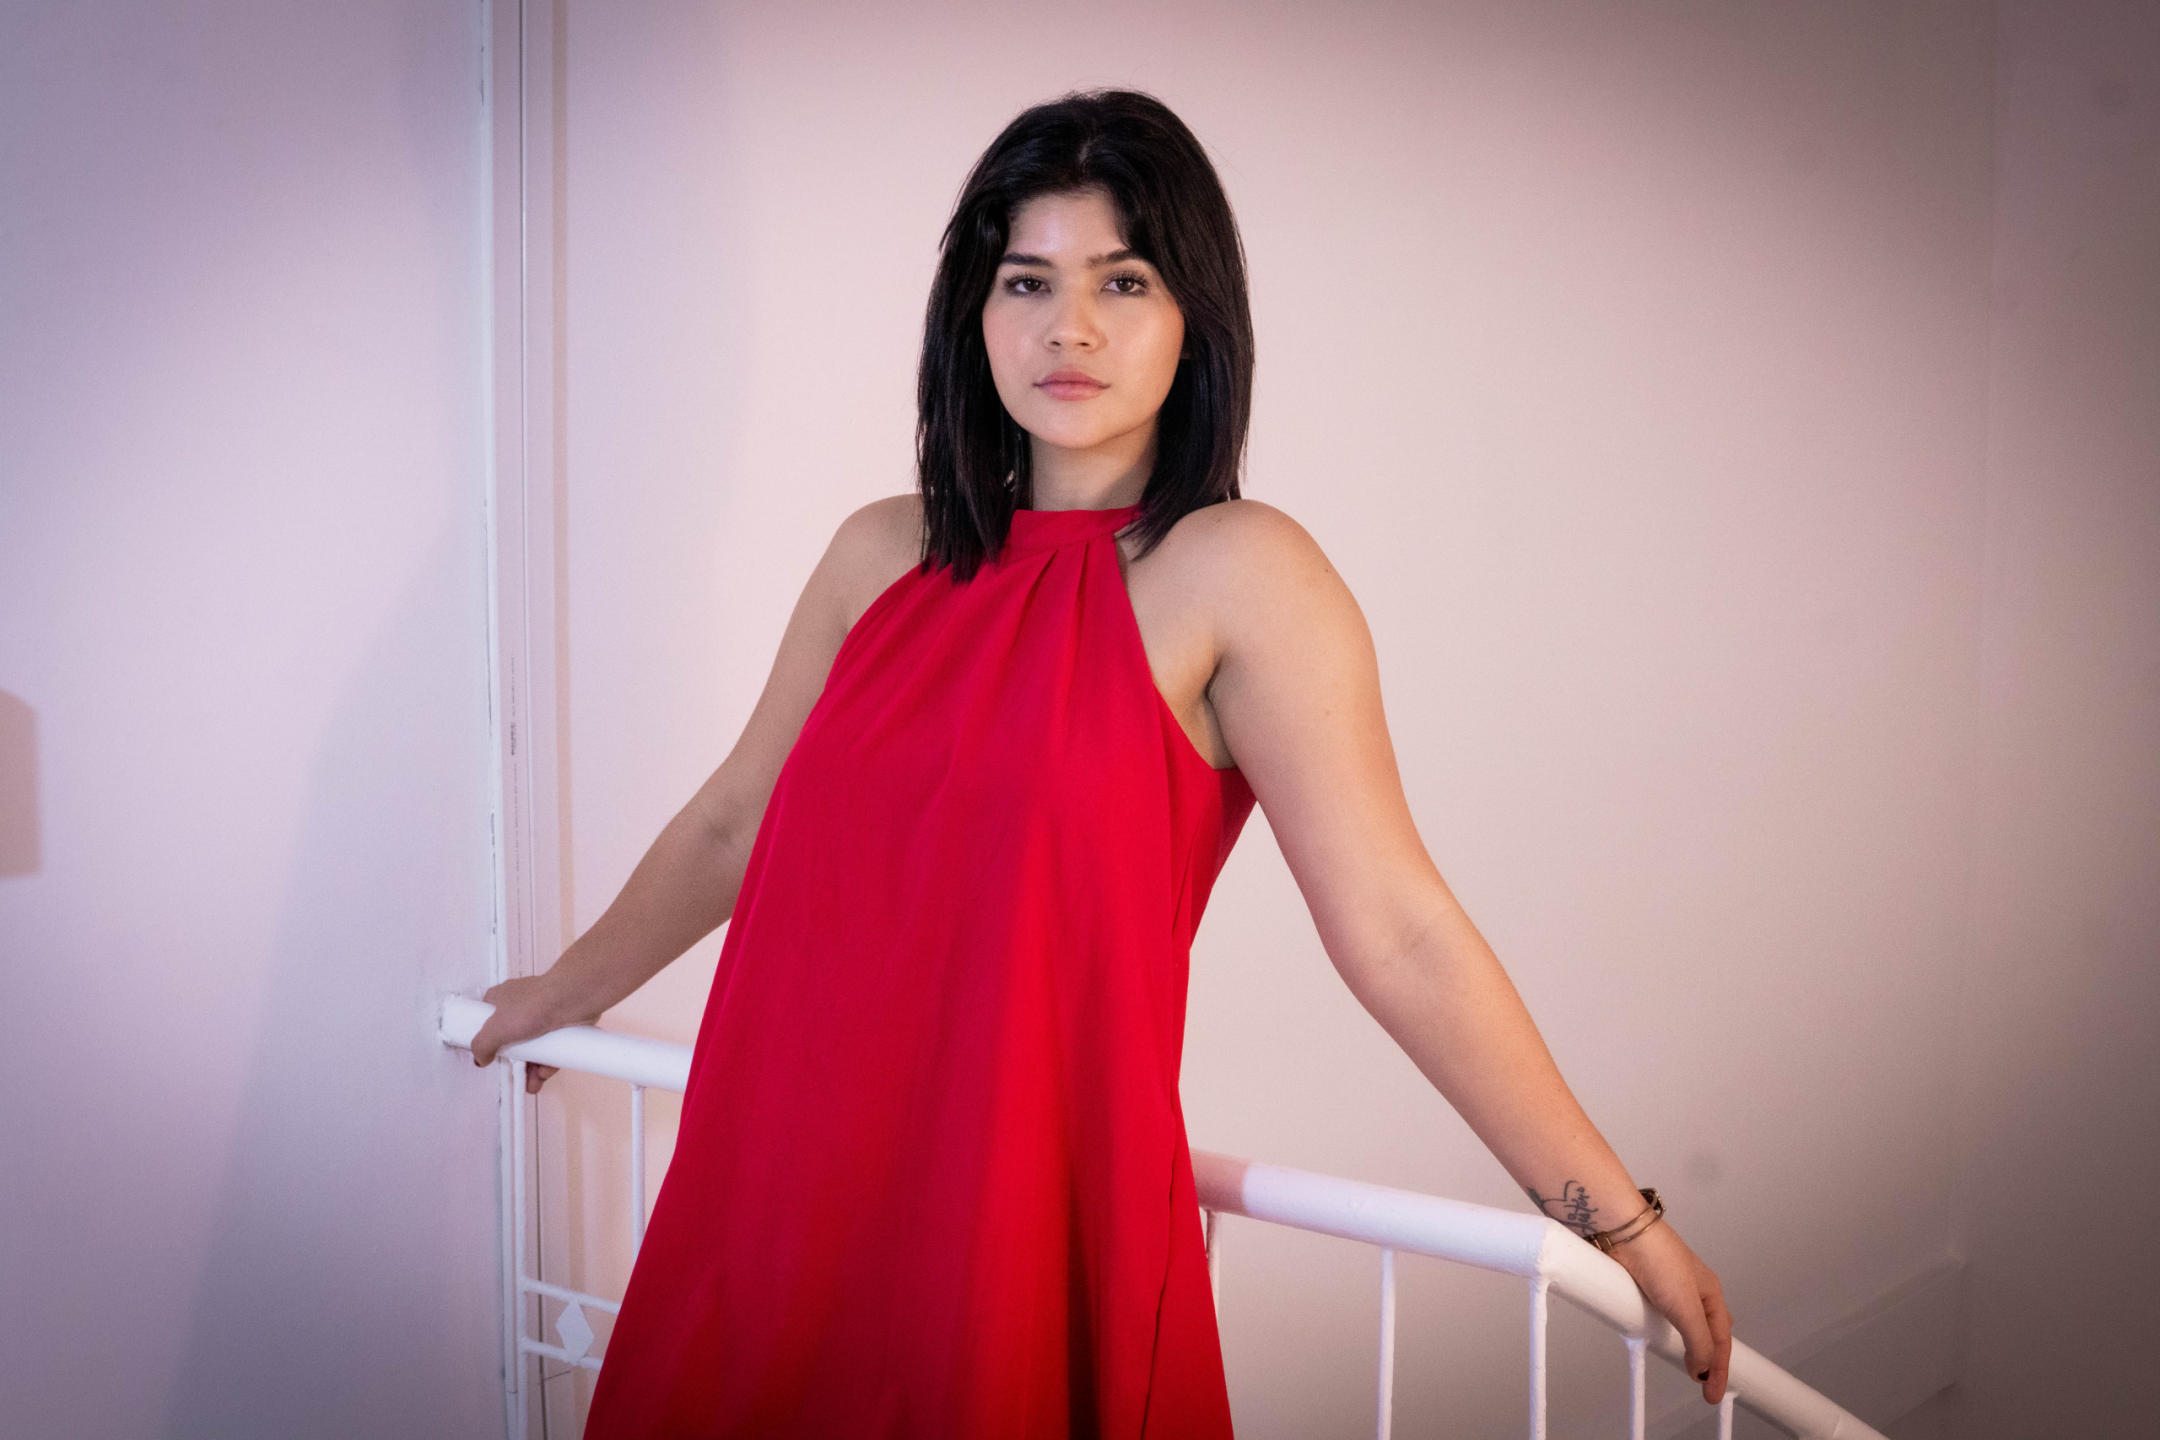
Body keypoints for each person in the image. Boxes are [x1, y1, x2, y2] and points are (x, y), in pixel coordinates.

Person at [469, 86, 1732, 1436]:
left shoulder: (1241, 575)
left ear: (1195, 319)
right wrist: (567, 988)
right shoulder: (879, 552)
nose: (1068, 327)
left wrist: (1617, 1221)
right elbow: (738, 821)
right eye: (1028, 281)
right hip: (774, 1172)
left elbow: (1398, 929)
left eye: (1122, 281)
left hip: (1019, 1209)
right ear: (976, 313)